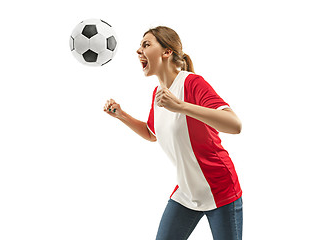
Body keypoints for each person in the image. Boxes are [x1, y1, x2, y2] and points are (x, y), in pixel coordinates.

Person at [103, 26, 243, 240]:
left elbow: (234, 125)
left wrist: (181, 106)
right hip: (186, 193)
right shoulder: (158, 93)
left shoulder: (192, 83)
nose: (138, 50)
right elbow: (151, 133)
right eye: (140, 46)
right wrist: (121, 115)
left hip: (220, 189)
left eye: (146, 45)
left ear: (167, 52)